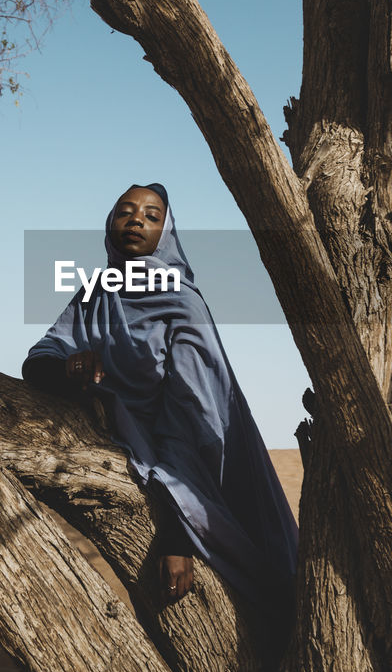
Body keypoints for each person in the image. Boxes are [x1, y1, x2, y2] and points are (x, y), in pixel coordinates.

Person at [23, 183, 298, 608]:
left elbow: (192, 423)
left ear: (167, 234)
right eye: (126, 212)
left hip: (199, 479)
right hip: (123, 455)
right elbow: (39, 358)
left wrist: (177, 540)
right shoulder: (94, 293)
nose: (136, 220)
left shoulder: (183, 305)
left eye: (152, 216)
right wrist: (67, 367)